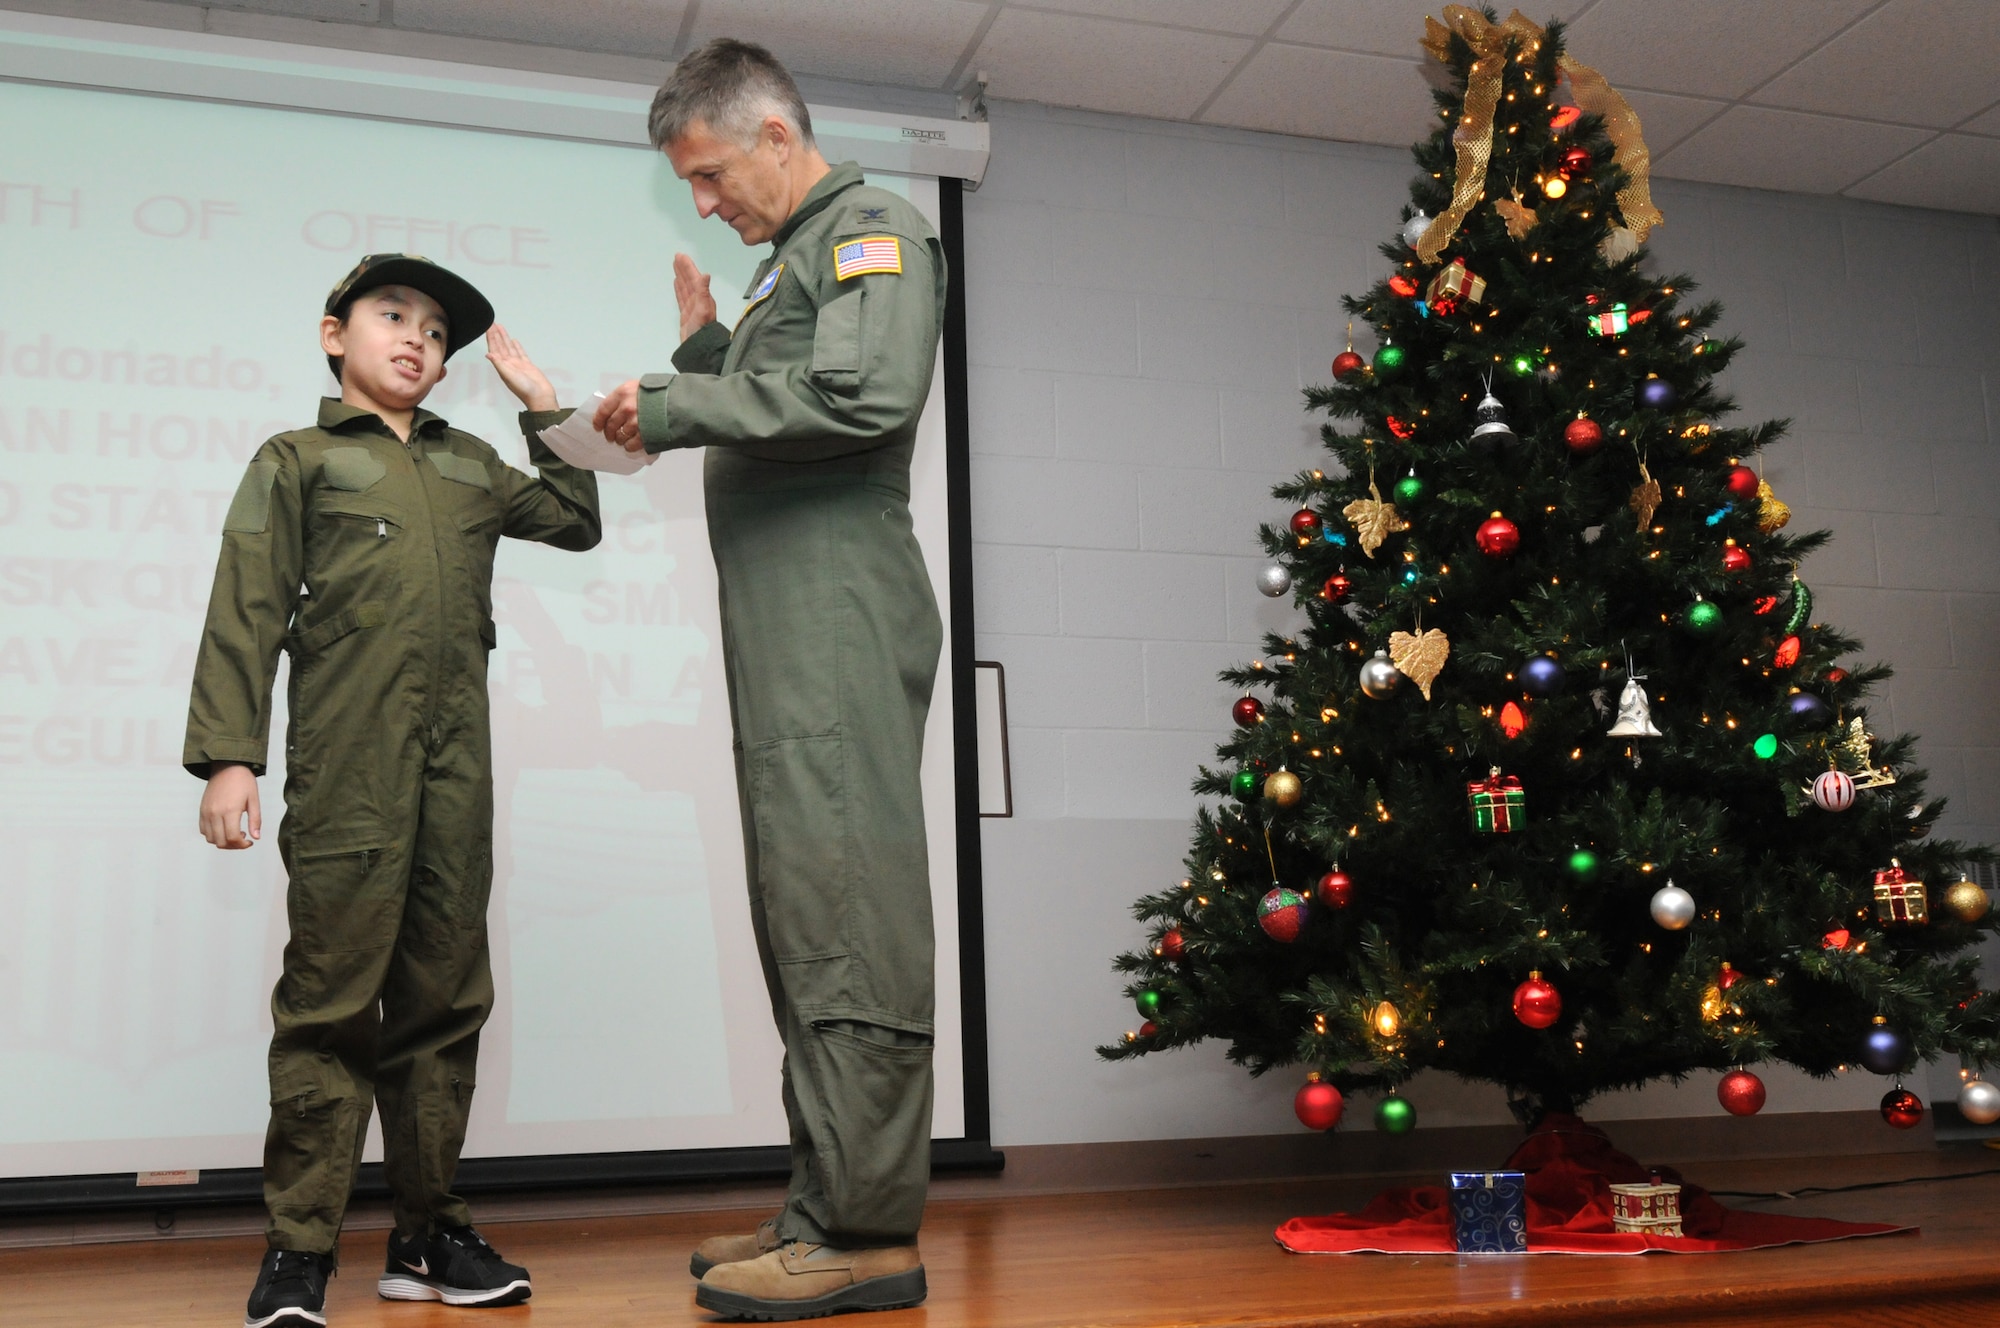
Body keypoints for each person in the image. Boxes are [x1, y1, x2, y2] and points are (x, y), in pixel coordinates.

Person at [593, 38, 946, 1321]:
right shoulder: (787, 266)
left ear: (776, 136)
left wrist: (680, 402)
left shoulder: (872, 230)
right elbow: (787, 394)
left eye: (707, 173)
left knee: (844, 898)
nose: (703, 201)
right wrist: (704, 359)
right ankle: (821, 1196)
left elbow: (864, 391)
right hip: (792, 619)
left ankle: (863, 1229)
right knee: (804, 902)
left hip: (838, 608)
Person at [185, 254, 602, 1328]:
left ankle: (425, 1234)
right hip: (347, 770)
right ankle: (299, 1246)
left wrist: (544, 405)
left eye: (433, 329)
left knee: (444, 999)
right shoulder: (300, 458)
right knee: (330, 1004)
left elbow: (573, 515)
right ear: (336, 335)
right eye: (391, 315)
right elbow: (248, 604)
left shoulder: (469, 465)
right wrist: (231, 754)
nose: (416, 337)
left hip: (454, 771)